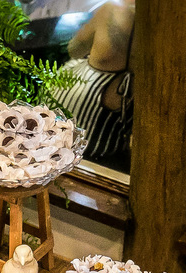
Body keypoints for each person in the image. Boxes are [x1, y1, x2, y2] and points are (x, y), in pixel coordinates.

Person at [53, 0, 135, 169]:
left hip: (74, 119)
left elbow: (74, 48)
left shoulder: (111, 9)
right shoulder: (173, 30)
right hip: (110, 149)